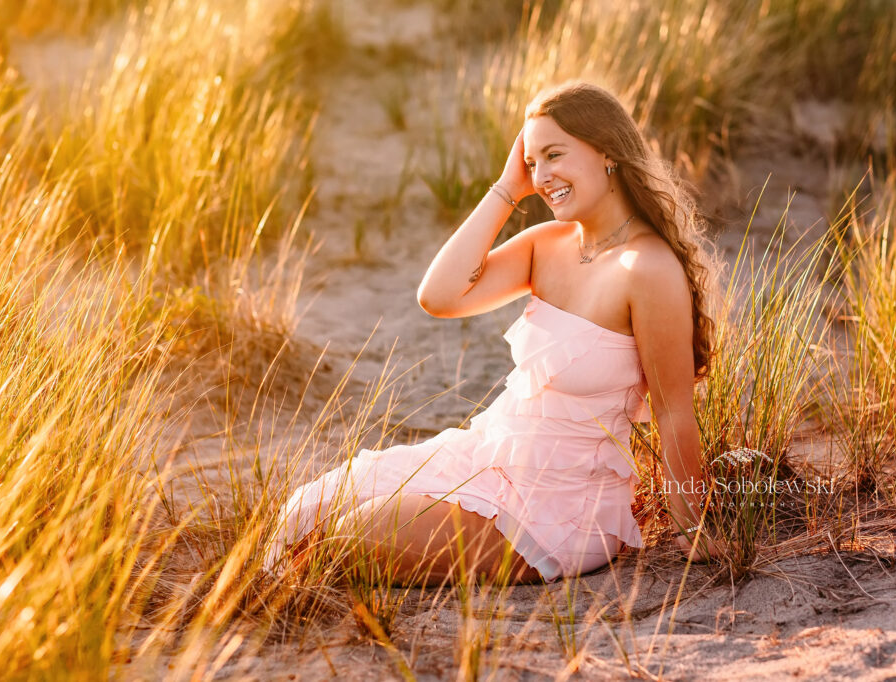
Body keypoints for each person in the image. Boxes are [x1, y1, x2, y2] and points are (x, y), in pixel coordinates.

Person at [262, 80, 724, 587]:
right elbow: (439, 296)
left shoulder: (647, 268)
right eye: (532, 162)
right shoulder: (546, 244)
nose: (542, 177)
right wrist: (507, 188)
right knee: (307, 509)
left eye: (554, 155)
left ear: (608, 152)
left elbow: (673, 408)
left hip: (563, 505)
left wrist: (689, 524)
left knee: (354, 538)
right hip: (489, 456)